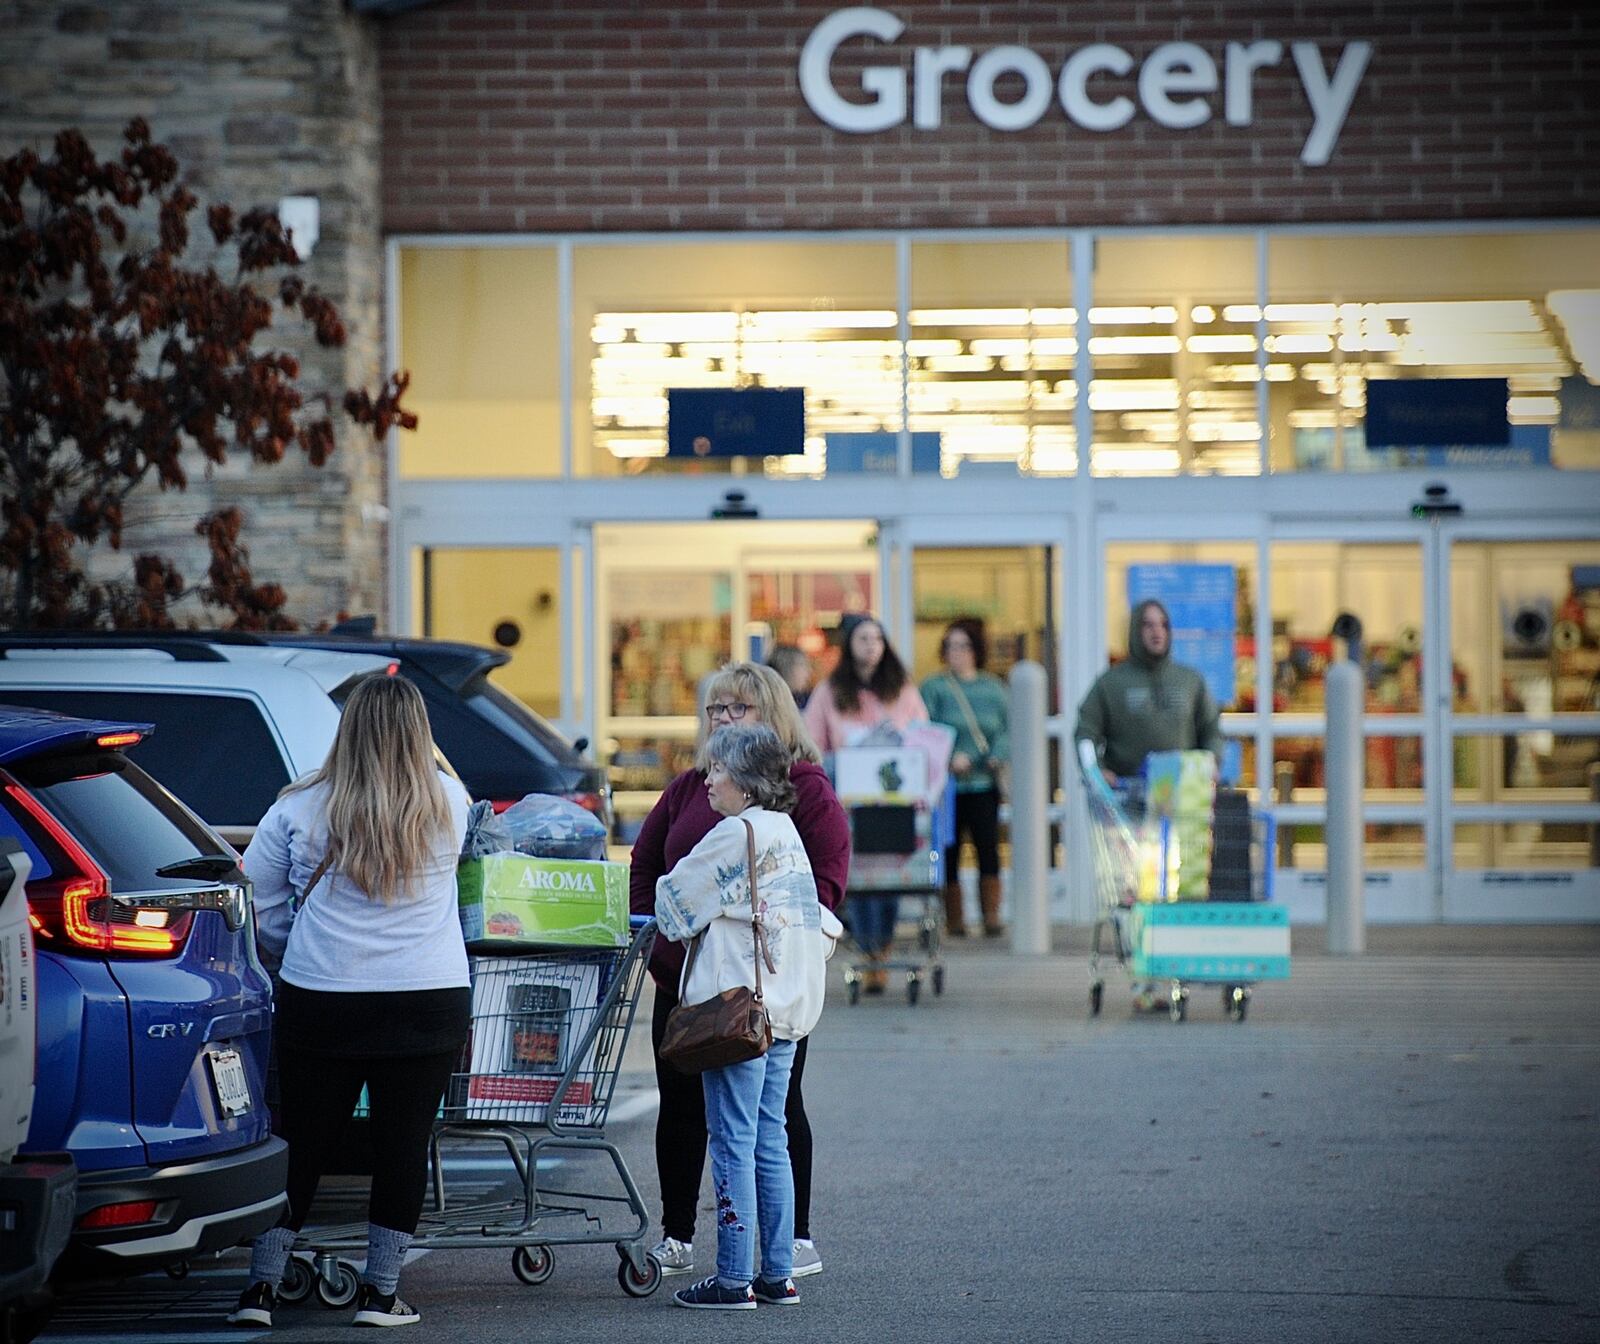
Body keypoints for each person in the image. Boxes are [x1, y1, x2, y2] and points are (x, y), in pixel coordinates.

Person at [228, 674, 471, 1330]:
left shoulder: (296, 808)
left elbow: (261, 906)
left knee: (302, 1141)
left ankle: (259, 1291)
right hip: (428, 994)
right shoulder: (450, 799)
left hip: (323, 994)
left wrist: (291, 952)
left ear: (348, 727)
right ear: (420, 731)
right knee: (402, 1146)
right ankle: (381, 1294)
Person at [629, 663, 849, 1286]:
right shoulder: (778, 826)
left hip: (729, 1001)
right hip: (781, 1000)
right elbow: (816, 915)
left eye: (721, 769)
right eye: (715, 713)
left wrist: (694, 918)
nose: (710, 777)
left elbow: (671, 905)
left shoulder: (737, 833)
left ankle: (731, 1279)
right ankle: (775, 1270)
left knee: (732, 1138)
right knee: (767, 1136)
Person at [803, 614, 926, 991]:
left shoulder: (902, 689)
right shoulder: (830, 692)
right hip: (849, 804)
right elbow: (812, 743)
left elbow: (922, 736)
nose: (871, 645)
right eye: (863, 638)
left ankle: (882, 949)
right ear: (849, 644)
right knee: (859, 877)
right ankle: (869, 952)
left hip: (894, 802)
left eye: (877, 638)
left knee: (889, 878)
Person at [1075, 597, 1224, 790]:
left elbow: (1211, 729)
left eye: (1163, 625)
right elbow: (1086, 733)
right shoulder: (1110, 684)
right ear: (1135, 630)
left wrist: (1211, 762)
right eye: (1148, 625)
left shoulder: (1190, 681)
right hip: (1126, 796)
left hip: (1183, 796)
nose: (1157, 632)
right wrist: (1095, 770)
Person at [921, 618, 1010, 938]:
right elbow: (925, 729)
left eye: (963, 645)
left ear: (976, 649)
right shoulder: (935, 687)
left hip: (984, 783)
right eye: (951, 645)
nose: (956, 652)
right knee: (950, 848)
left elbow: (1007, 729)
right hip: (948, 785)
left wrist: (987, 757)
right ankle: (954, 919)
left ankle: (991, 915)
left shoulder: (993, 688)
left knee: (988, 846)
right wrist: (947, 758)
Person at [766, 643, 814, 709]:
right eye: (803, 665)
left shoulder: (806, 700)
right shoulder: (767, 703)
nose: (809, 671)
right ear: (787, 668)